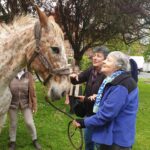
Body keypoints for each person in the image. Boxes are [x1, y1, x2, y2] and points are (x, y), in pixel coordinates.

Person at [73, 51, 138, 150]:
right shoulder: (115, 80)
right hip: (110, 137)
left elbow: (106, 114)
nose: (104, 62)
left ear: (118, 66)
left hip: (116, 141)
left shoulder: (121, 85)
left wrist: (83, 122)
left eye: (108, 60)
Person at [70, 46, 109, 150]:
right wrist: (73, 78)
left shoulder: (107, 75)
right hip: (88, 113)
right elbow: (78, 79)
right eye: (94, 55)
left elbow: (104, 97)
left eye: (98, 56)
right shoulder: (91, 70)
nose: (95, 58)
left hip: (100, 115)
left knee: (98, 144)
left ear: (105, 59)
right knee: (88, 142)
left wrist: (86, 99)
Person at [8, 69, 41, 150]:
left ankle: (35, 139)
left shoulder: (28, 75)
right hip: (12, 103)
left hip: (26, 103)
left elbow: (33, 91)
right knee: (13, 123)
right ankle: (12, 141)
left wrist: (34, 105)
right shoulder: (10, 74)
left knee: (29, 122)